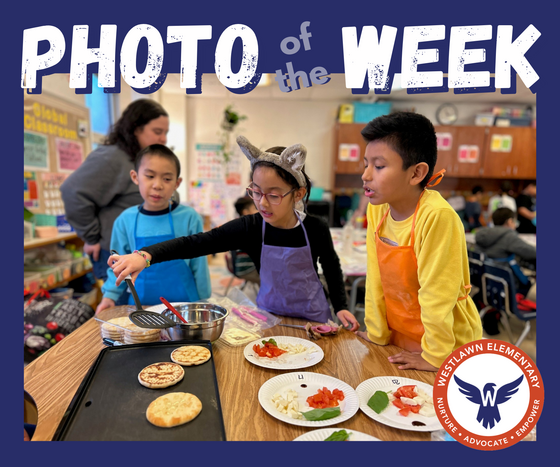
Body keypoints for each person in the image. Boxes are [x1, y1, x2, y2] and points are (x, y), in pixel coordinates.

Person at [107, 136, 359, 330]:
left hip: (313, 318)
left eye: (273, 194)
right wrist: (145, 255)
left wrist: (340, 307)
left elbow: (331, 266)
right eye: (256, 191)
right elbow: (196, 244)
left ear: (298, 194)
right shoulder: (251, 227)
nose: (262, 203)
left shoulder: (314, 227)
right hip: (271, 317)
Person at [355, 111, 482, 371]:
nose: (366, 175)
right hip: (400, 334)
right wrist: (378, 334)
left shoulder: (437, 217)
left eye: (378, 166)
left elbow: (438, 296)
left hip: (446, 345)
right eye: (366, 164)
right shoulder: (378, 209)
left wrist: (435, 357)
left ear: (416, 173)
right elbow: (376, 277)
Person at [60, 99, 170, 281]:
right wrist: (91, 237)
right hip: (116, 255)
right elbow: (72, 191)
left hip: (139, 254)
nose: (163, 139)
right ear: (136, 129)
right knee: (125, 307)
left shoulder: (140, 159)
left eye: (165, 133)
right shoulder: (113, 158)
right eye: (157, 132)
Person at [95, 144, 211, 313]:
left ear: (177, 183)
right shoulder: (125, 220)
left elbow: (199, 266)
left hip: (186, 306)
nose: (157, 185)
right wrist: (109, 296)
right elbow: (118, 266)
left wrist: (204, 301)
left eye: (167, 179)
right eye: (150, 176)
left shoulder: (189, 217)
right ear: (135, 177)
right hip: (141, 307)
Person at [475, 207, 536, 300]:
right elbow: (531, 252)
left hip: (488, 282)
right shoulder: (508, 236)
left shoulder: (483, 234)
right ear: (510, 221)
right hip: (507, 284)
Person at [229, 197, 260, 284]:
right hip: (247, 269)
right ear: (246, 212)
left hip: (239, 267)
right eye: (255, 208)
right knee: (275, 278)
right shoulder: (250, 227)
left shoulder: (238, 224)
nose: (259, 211)